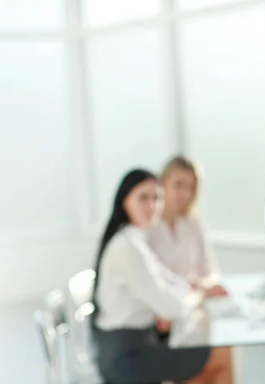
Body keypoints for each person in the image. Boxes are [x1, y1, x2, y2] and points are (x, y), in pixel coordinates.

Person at [91, 169, 232, 384]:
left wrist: (188, 290)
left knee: (207, 347)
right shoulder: (128, 247)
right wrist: (198, 294)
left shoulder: (135, 239)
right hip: (127, 358)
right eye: (143, 197)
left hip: (138, 344)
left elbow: (170, 282)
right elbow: (169, 306)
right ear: (124, 200)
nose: (152, 206)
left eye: (156, 198)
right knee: (215, 355)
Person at [148, 156, 229, 344]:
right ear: (162, 184)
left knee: (222, 349)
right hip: (161, 319)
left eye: (191, 187)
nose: (184, 193)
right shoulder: (148, 228)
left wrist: (202, 285)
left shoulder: (192, 224)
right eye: (178, 185)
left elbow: (211, 271)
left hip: (191, 311)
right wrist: (189, 286)